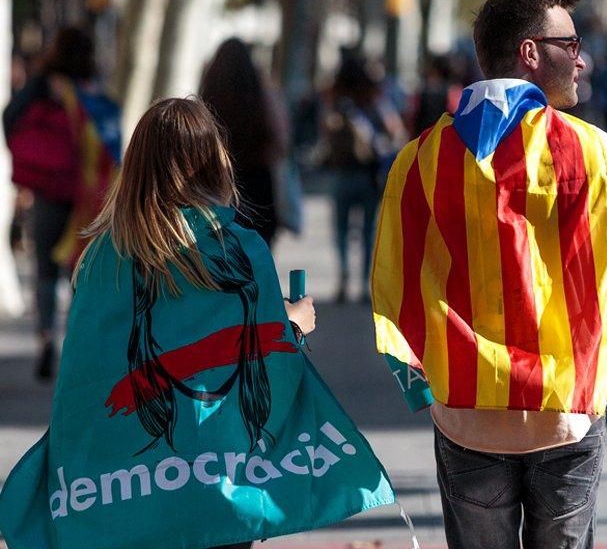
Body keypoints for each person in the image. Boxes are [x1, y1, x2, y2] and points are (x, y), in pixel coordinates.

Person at [0, 99, 396, 549]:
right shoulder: (240, 247)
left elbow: (85, 378)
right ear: (214, 165)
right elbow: (262, 361)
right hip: (220, 480)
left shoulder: (99, 260)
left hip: (125, 489)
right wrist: (295, 322)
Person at [372, 0, 607, 549]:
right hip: (566, 412)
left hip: (465, 411)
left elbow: (397, 291)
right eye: (570, 43)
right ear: (530, 53)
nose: (583, 58)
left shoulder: (418, 160)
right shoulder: (600, 154)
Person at [3, 27, 120, 380]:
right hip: (88, 199)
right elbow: (113, 145)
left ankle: (45, 339)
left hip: (49, 192)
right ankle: (76, 341)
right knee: (80, 272)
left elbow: (10, 119)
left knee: (44, 270)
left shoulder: (42, 87)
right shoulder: (93, 92)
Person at [321, 56, 406, 303]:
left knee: (341, 230)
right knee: (369, 231)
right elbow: (396, 130)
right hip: (369, 175)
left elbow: (324, 133)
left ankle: (344, 276)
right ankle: (365, 284)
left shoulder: (336, 101)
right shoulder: (372, 99)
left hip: (341, 174)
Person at [199, 37, 288, 246]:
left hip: (217, 185)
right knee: (260, 254)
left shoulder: (207, 96)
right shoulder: (262, 95)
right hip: (259, 184)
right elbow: (282, 141)